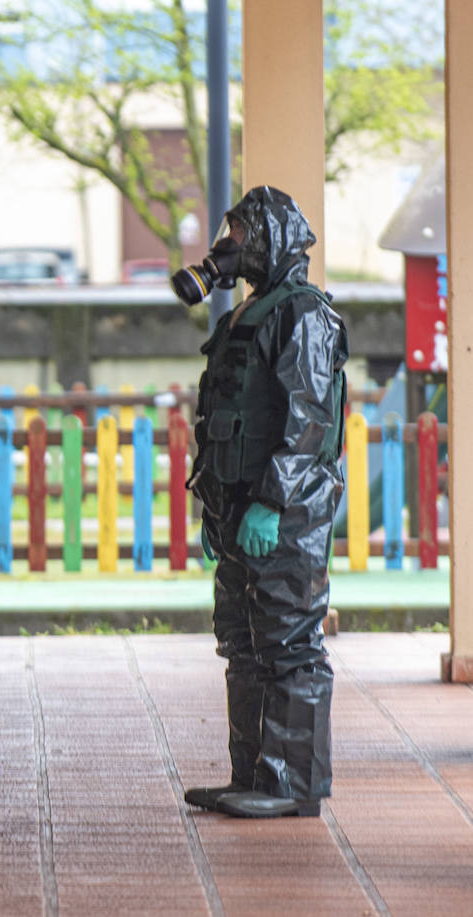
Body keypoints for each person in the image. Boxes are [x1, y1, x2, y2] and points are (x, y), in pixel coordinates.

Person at [173, 186, 347, 818]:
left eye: (242, 235)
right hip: (237, 509)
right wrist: (215, 504)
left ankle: (291, 785)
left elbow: (308, 421)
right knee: (243, 643)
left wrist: (272, 503)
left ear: (273, 237)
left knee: (289, 643)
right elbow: (220, 415)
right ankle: (251, 774)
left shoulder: (303, 315)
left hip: (285, 513)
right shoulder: (246, 316)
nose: (231, 248)